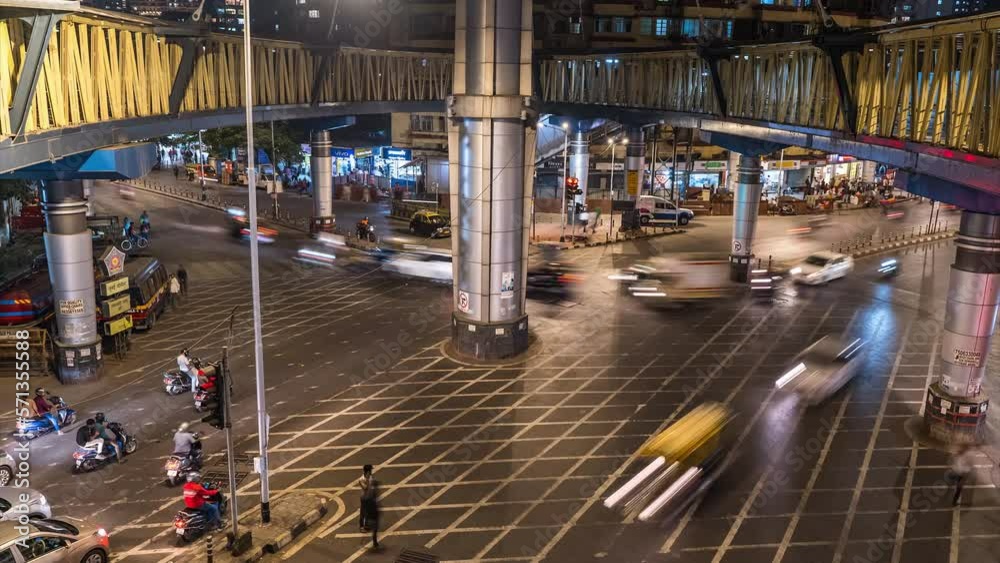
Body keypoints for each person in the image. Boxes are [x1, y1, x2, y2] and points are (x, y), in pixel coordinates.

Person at [359, 464, 380, 549]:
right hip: (364, 499)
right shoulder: (361, 479)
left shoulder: (371, 477)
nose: (371, 472)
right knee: (363, 513)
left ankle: (374, 539)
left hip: (370, 500)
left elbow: (373, 489)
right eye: (370, 471)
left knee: (370, 515)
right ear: (366, 471)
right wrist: (368, 481)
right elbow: (365, 488)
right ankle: (361, 526)